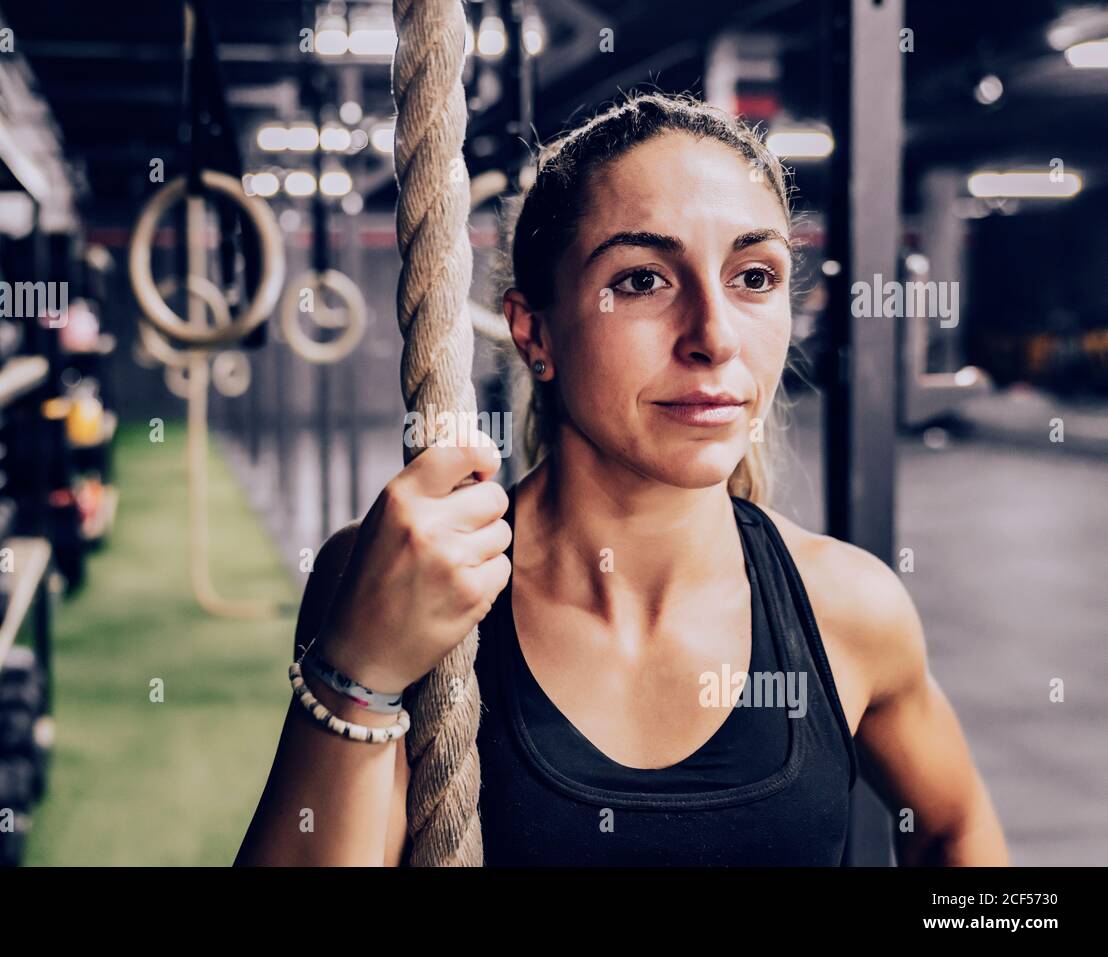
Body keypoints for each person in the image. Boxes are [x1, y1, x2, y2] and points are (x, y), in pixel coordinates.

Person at [236, 92, 1009, 866]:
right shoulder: (399, 581)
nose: (715, 335)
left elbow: (957, 829)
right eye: (642, 280)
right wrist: (359, 671)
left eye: (754, 275)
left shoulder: (850, 607)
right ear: (534, 331)